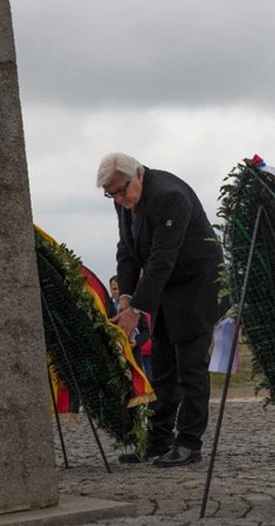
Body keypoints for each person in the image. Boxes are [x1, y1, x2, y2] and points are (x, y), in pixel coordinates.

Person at [97, 152, 227, 467]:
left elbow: (161, 258)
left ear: (138, 175)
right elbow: (127, 249)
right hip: (166, 289)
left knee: (191, 367)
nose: (119, 200)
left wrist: (136, 309)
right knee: (162, 365)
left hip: (196, 286)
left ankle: (189, 443)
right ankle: (158, 440)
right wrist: (125, 296)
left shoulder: (170, 196)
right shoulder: (125, 199)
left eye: (121, 191)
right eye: (111, 195)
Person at [109, 274, 150, 377]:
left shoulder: (134, 308)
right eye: (114, 289)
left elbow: (146, 331)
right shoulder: (105, 307)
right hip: (112, 357)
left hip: (134, 356)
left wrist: (136, 342)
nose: (117, 292)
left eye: (120, 289)